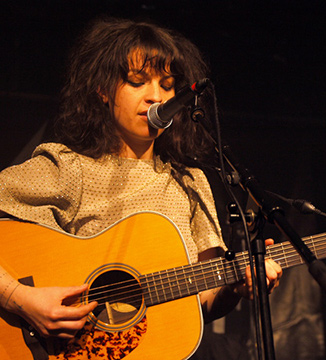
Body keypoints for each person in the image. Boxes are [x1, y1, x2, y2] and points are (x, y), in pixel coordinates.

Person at [0, 17, 282, 349]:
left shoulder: (190, 184)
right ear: (103, 91)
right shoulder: (70, 168)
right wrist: (20, 298)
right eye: (137, 81)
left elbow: (205, 298)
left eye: (166, 85)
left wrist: (236, 287)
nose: (155, 97)